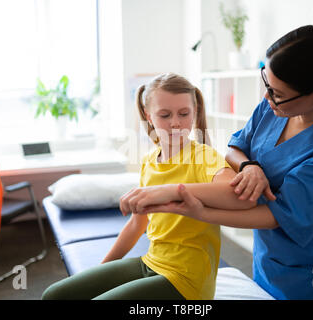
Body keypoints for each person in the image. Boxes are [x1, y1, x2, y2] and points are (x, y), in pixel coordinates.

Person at [122, 25, 313, 300]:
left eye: (276, 93)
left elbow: (279, 216)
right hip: (268, 257)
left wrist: (197, 210)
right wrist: (250, 166)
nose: (267, 97)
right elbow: (236, 147)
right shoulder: (279, 103)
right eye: (267, 85)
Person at [42, 73, 255, 300]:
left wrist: (173, 191)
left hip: (187, 279)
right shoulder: (149, 161)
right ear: (149, 116)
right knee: (54, 296)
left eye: (184, 114)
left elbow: (236, 196)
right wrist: (100, 271)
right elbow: (136, 224)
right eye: (165, 115)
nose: (176, 122)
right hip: (151, 262)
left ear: (195, 113)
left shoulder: (203, 156)